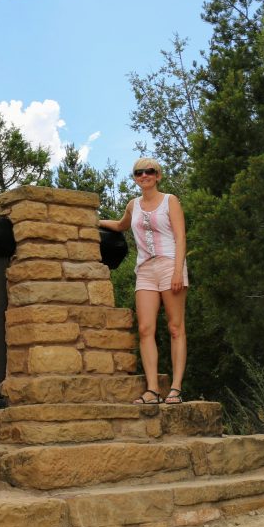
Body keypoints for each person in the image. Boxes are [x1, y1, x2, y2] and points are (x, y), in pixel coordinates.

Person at [99, 158, 188, 405]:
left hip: (171, 264)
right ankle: (152, 390)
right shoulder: (133, 205)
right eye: (139, 172)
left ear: (158, 176)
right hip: (145, 269)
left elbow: (181, 238)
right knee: (145, 329)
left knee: (175, 327)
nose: (144, 175)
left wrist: (178, 271)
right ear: (135, 178)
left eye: (149, 171)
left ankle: (176, 389)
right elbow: (120, 225)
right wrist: (92, 222)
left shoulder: (170, 201)